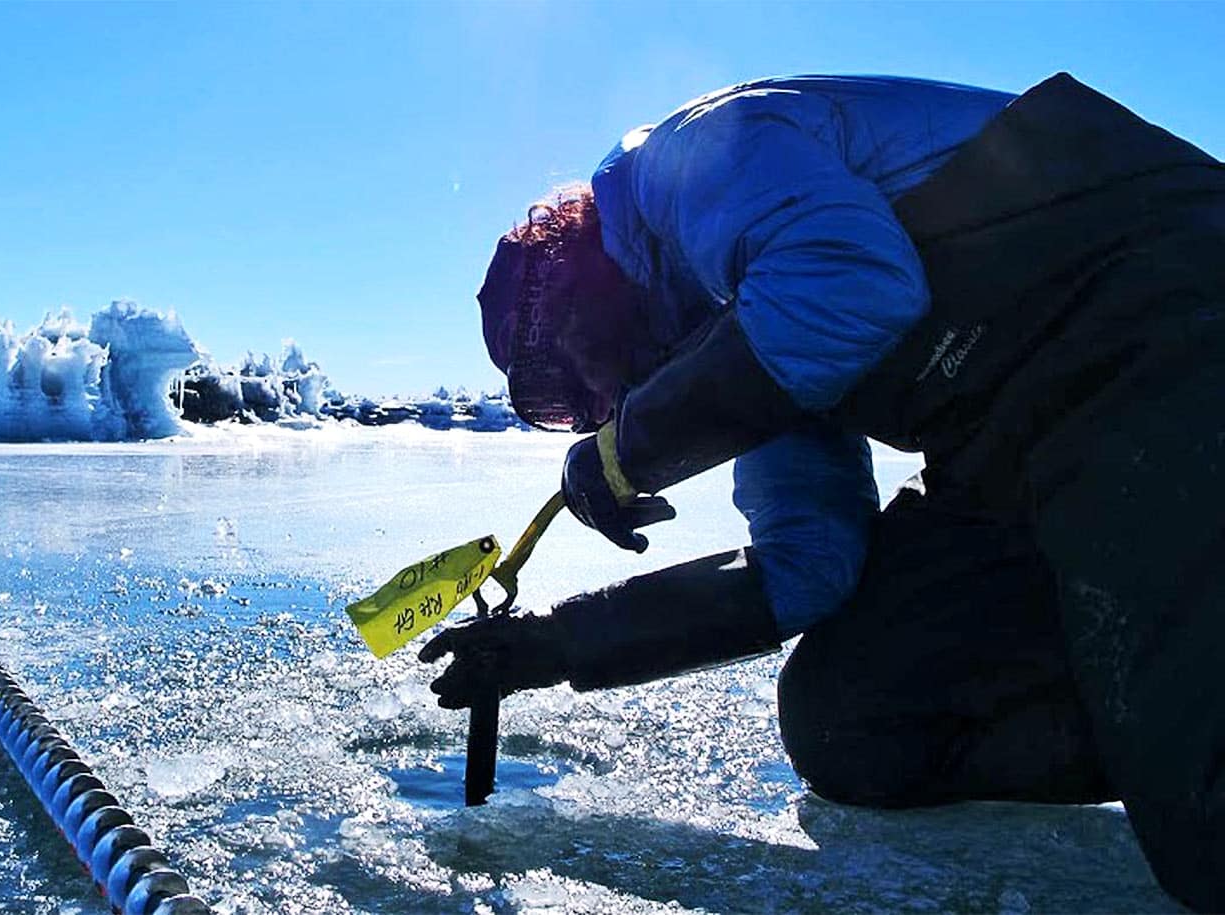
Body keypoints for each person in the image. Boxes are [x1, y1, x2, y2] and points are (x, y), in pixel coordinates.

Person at [418, 73, 1225, 910]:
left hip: (1158, 321)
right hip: (1019, 445)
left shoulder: (689, 159)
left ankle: (1176, 728)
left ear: (579, 279)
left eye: (568, 377)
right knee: (857, 716)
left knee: (1201, 799)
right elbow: (809, 562)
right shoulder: (743, 323)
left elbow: (855, 282)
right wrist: (557, 642)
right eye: (565, 410)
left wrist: (631, 451)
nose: (593, 406)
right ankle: (1153, 696)